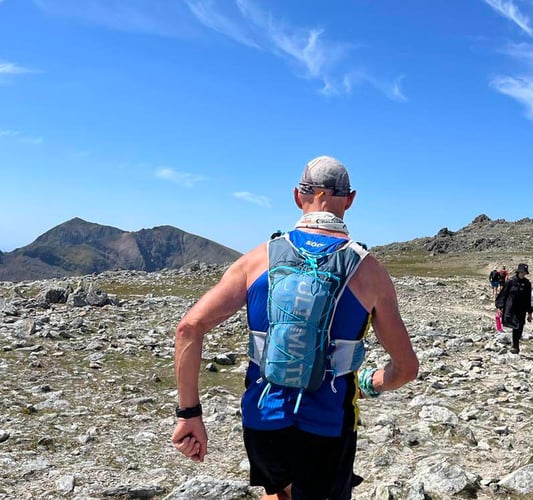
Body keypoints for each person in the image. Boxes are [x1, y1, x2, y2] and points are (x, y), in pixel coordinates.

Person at [171, 155, 419, 500]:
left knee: (279, 490)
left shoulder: (258, 258)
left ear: (297, 196)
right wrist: (370, 384)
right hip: (328, 427)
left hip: (262, 420)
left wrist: (189, 414)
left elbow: (189, 328)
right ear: (350, 199)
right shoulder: (368, 271)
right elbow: (406, 368)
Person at [495, 263, 532, 354]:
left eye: (525, 272)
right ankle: (515, 346)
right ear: (518, 271)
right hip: (511, 307)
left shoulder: (527, 283)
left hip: (522, 308)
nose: (523, 274)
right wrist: (500, 306)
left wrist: (530, 312)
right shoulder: (510, 281)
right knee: (515, 325)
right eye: (522, 272)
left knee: (520, 326)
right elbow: (504, 294)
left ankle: (516, 343)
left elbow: (528, 298)